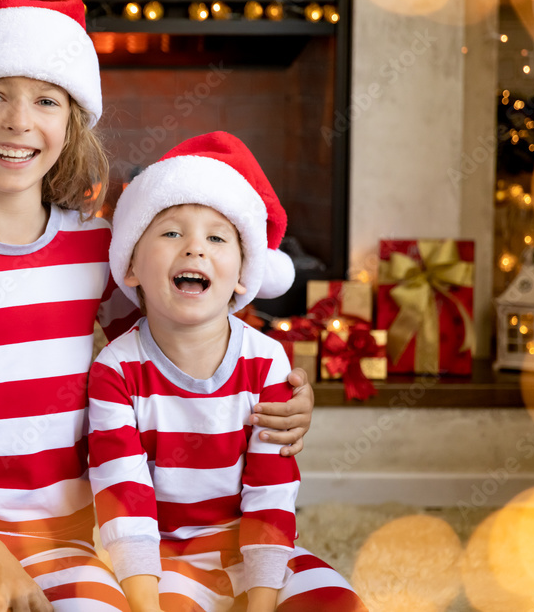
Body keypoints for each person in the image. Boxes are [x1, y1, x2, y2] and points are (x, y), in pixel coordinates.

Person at [0, 0, 315, 612]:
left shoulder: (97, 252)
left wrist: (281, 396)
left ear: (72, 122)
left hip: (68, 539)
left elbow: (175, 356)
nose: (19, 122)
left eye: (46, 101)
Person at [89, 132, 368, 612]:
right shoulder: (115, 370)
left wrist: (260, 601)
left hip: (258, 549)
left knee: (339, 602)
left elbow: (271, 493)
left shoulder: (267, 362)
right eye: (172, 232)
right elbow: (125, 499)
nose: (195, 249)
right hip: (157, 556)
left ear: (244, 273)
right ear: (131, 263)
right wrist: (145, 602)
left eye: (217, 237)